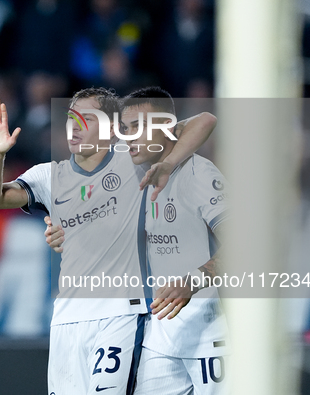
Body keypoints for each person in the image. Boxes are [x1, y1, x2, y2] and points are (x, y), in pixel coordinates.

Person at [0, 88, 216, 394]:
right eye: (71, 117)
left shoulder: (135, 161)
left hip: (122, 316)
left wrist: (169, 163)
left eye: (87, 118)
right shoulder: (50, 176)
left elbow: (204, 120)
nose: (74, 126)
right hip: (67, 317)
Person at [48, 87, 228, 394]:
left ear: (168, 128)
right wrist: (63, 230)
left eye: (139, 128)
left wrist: (194, 280)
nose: (129, 137)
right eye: (125, 129)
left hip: (208, 334)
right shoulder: (130, 173)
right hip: (157, 337)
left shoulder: (198, 175)